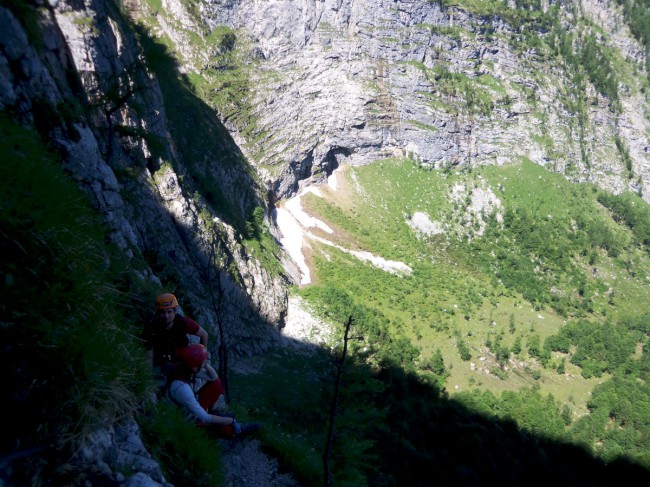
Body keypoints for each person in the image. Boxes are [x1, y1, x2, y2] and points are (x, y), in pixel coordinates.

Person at [167, 344, 259, 439]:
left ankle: (215, 413)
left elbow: (213, 378)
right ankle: (236, 432)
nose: (205, 364)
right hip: (186, 419)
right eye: (203, 363)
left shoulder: (185, 369)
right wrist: (231, 421)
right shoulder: (182, 388)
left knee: (216, 384)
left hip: (187, 408)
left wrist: (204, 363)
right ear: (195, 366)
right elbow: (205, 417)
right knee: (224, 425)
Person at [143, 292, 210, 378]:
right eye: (163, 313)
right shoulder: (152, 327)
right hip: (161, 364)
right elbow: (149, 354)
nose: (166, 316)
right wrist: (147, 377)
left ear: (175, 312)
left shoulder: (184, 323)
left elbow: (204, 335)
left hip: (182, 364)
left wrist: (202, 357)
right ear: (158, 313)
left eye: (169, 312)